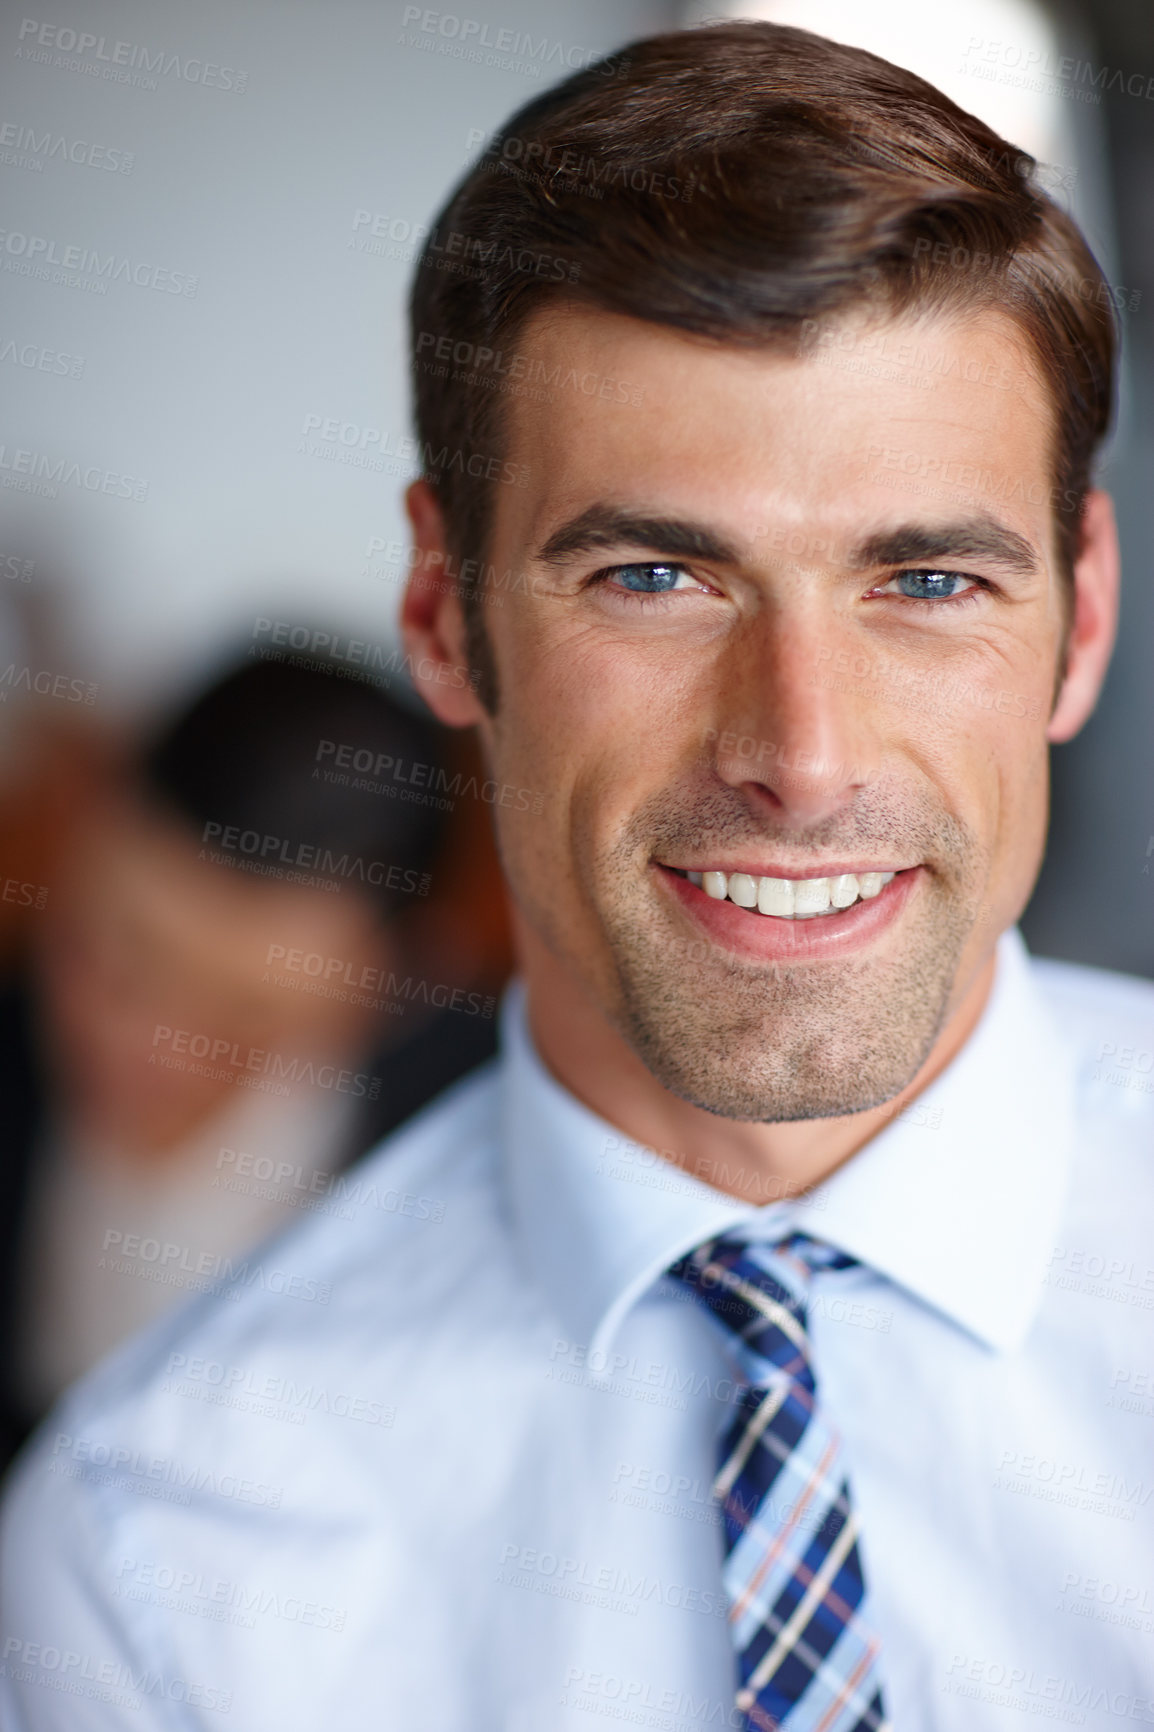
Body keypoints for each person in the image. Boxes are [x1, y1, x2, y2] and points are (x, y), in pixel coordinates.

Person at [2, 20, 1149, 1730]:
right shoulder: (150, 1546)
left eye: (921, 583)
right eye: (653, 575)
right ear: (441, 614)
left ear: (1078, 617)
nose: (802, 752)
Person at [0, 652, 503, 1469]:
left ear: (408, 984)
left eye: (245, 1016)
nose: (144, 1043)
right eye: (118, 950)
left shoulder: (494, 1163)